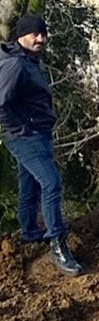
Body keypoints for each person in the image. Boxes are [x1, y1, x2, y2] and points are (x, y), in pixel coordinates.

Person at [0, 15, 84, 276]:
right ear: (21, 36)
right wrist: (20, 129)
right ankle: (58, 245)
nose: (41, 39)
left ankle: (29, 232)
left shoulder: (29, 60)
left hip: (36, 132)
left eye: (43, 34)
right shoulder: (15, 64)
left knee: (30, 183)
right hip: (26, 135)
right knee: (51, 182)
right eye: (35, 34)